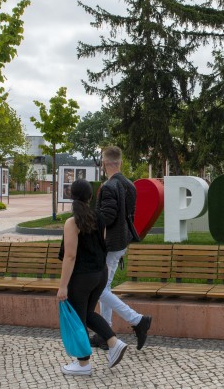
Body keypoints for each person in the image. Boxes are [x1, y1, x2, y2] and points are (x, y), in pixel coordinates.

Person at [57, 179, 128, 375]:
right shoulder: (99, 218)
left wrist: (63, 286)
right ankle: (114, 343)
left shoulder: (72, 222)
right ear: (90, 197)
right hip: (100, 274)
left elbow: (70, 256)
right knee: (87, 314)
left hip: (82, 278)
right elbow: (100, 245)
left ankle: (83, 365)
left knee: (79, 318)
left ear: (72, 196)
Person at [91, 146, 151, 351]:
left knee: (100, 289)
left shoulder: (109, 186)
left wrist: (89, 225)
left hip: (109, 244)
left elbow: (106, 217)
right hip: (121, 242)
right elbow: (129, 215)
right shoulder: (129, 185)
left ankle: (138, 320)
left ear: (104, 163)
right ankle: (104, 334)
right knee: (105, 287)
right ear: (120, 163)